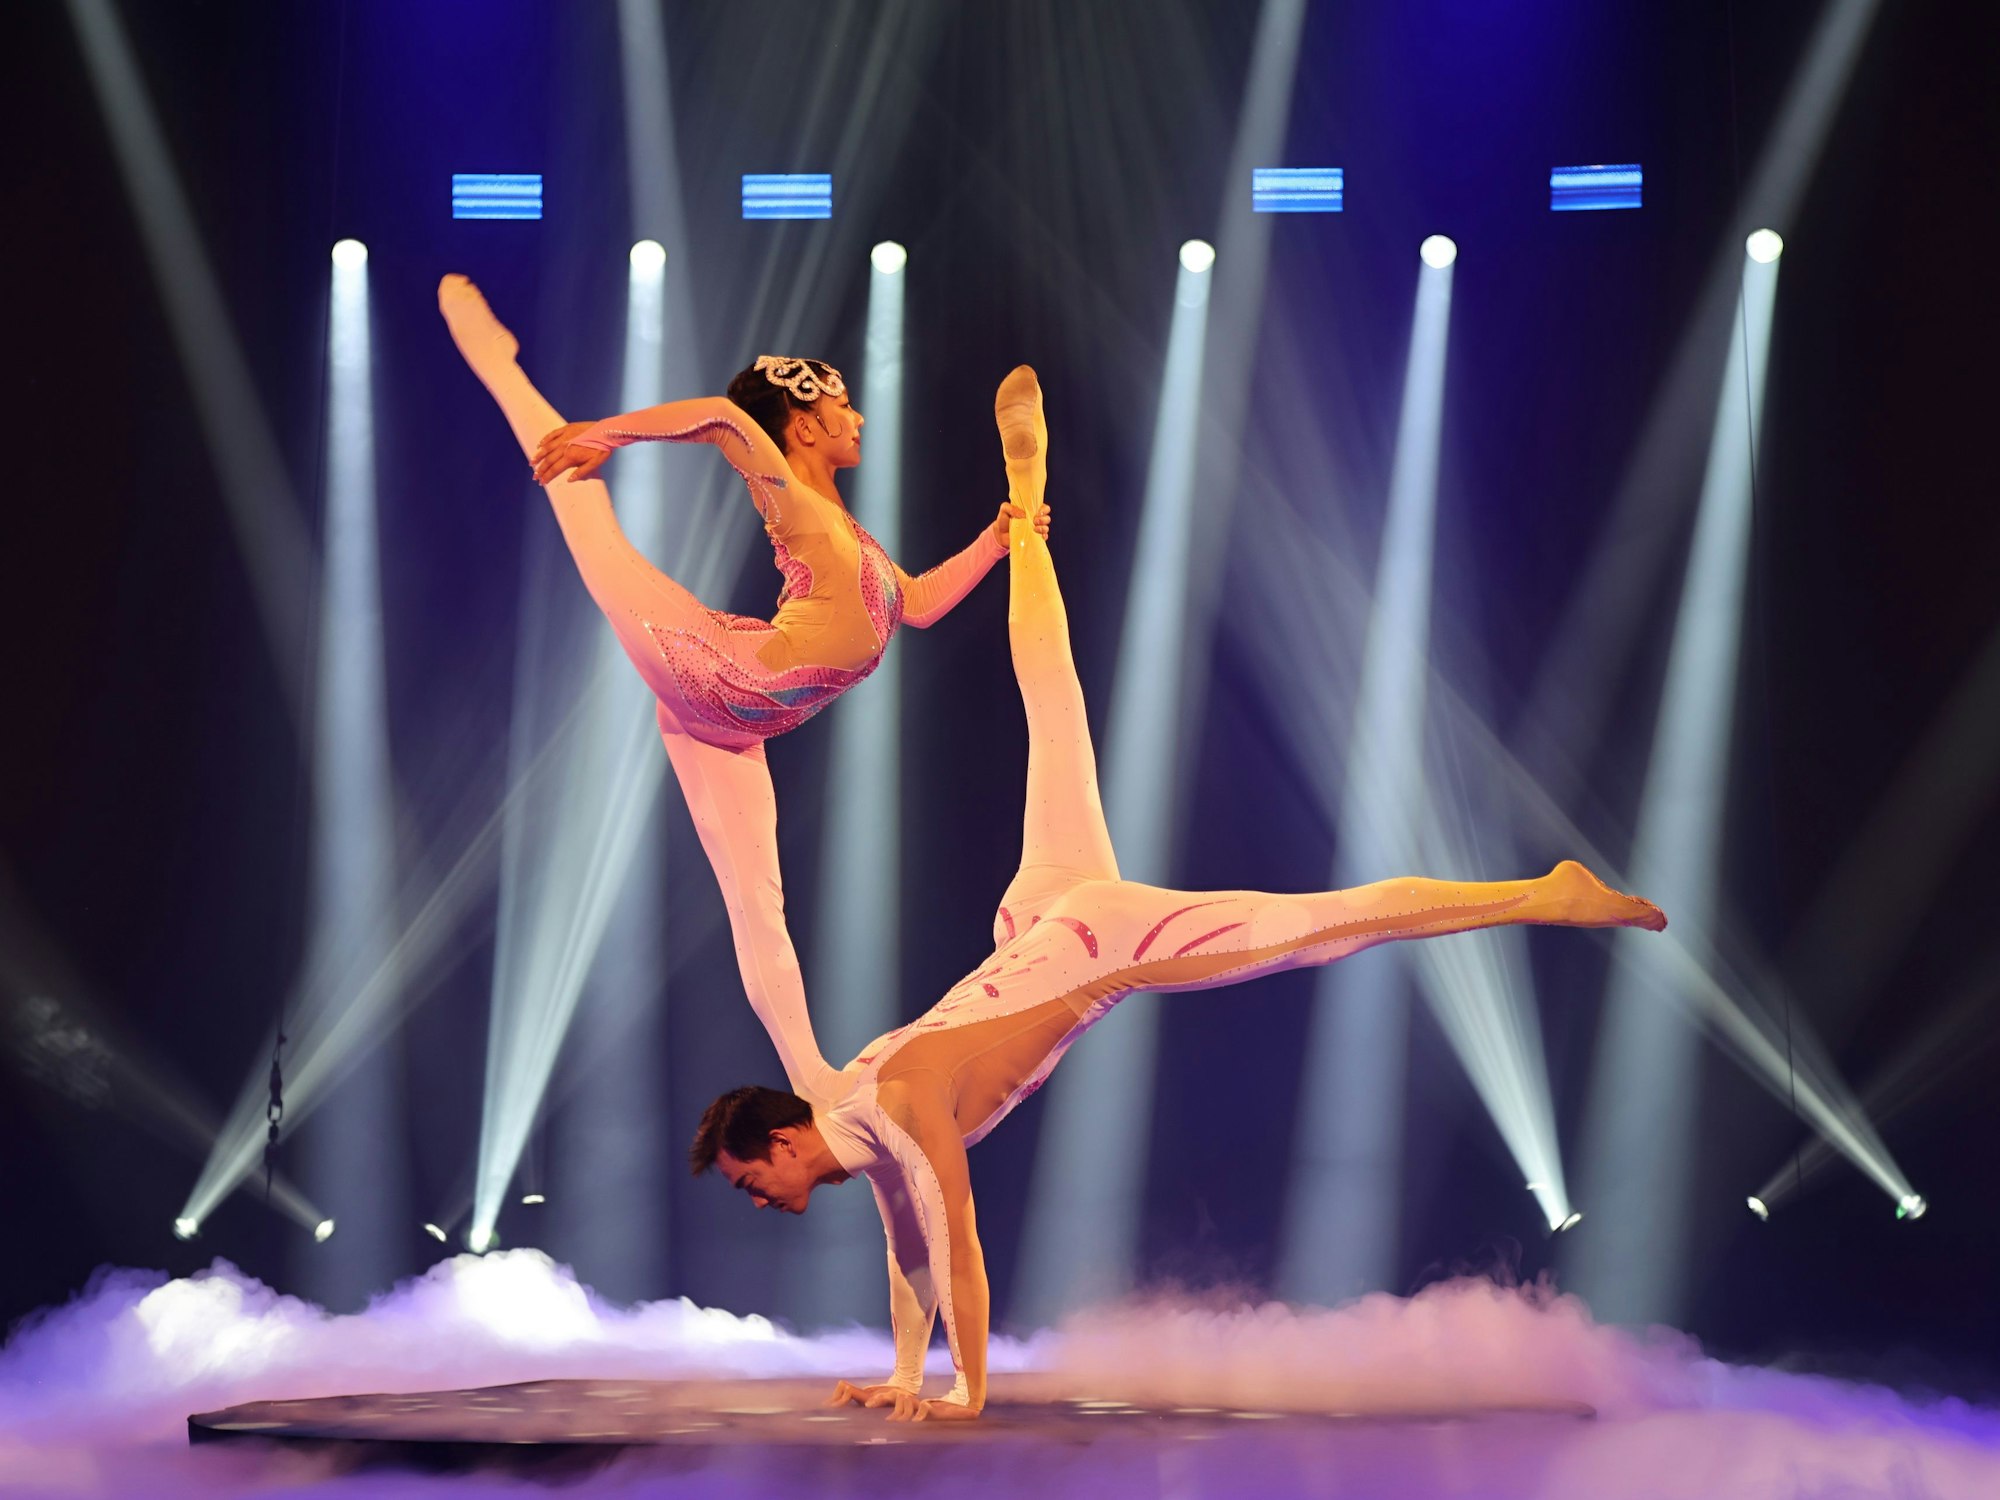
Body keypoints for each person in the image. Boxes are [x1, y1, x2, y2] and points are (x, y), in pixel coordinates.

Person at [687, 368, 1667, 1422]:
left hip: (1102, 941)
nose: (761, 1201)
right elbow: (909, 1244)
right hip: (1038, 915)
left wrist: (963, 1393)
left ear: (783, 1145)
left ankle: (1538, 893)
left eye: (752, 1182)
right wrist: (898, 1374)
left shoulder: (893, 1103)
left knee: (1321, 926)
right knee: (1049, 700)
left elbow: (954, 1239)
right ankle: (1023, 508)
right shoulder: (857, 1110)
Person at [439, 277, 1048, 1108]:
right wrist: (605, 436)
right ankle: (495, 362)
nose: (860, 417)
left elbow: (925, 604)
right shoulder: (789, 496)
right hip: (703, 665)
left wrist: (998, 538)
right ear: (804, 423)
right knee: (582, 502)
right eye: (845, 406)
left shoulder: (857, 543)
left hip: (728, 727)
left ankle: (813, 1082)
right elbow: (726, 420)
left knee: (760, 903)